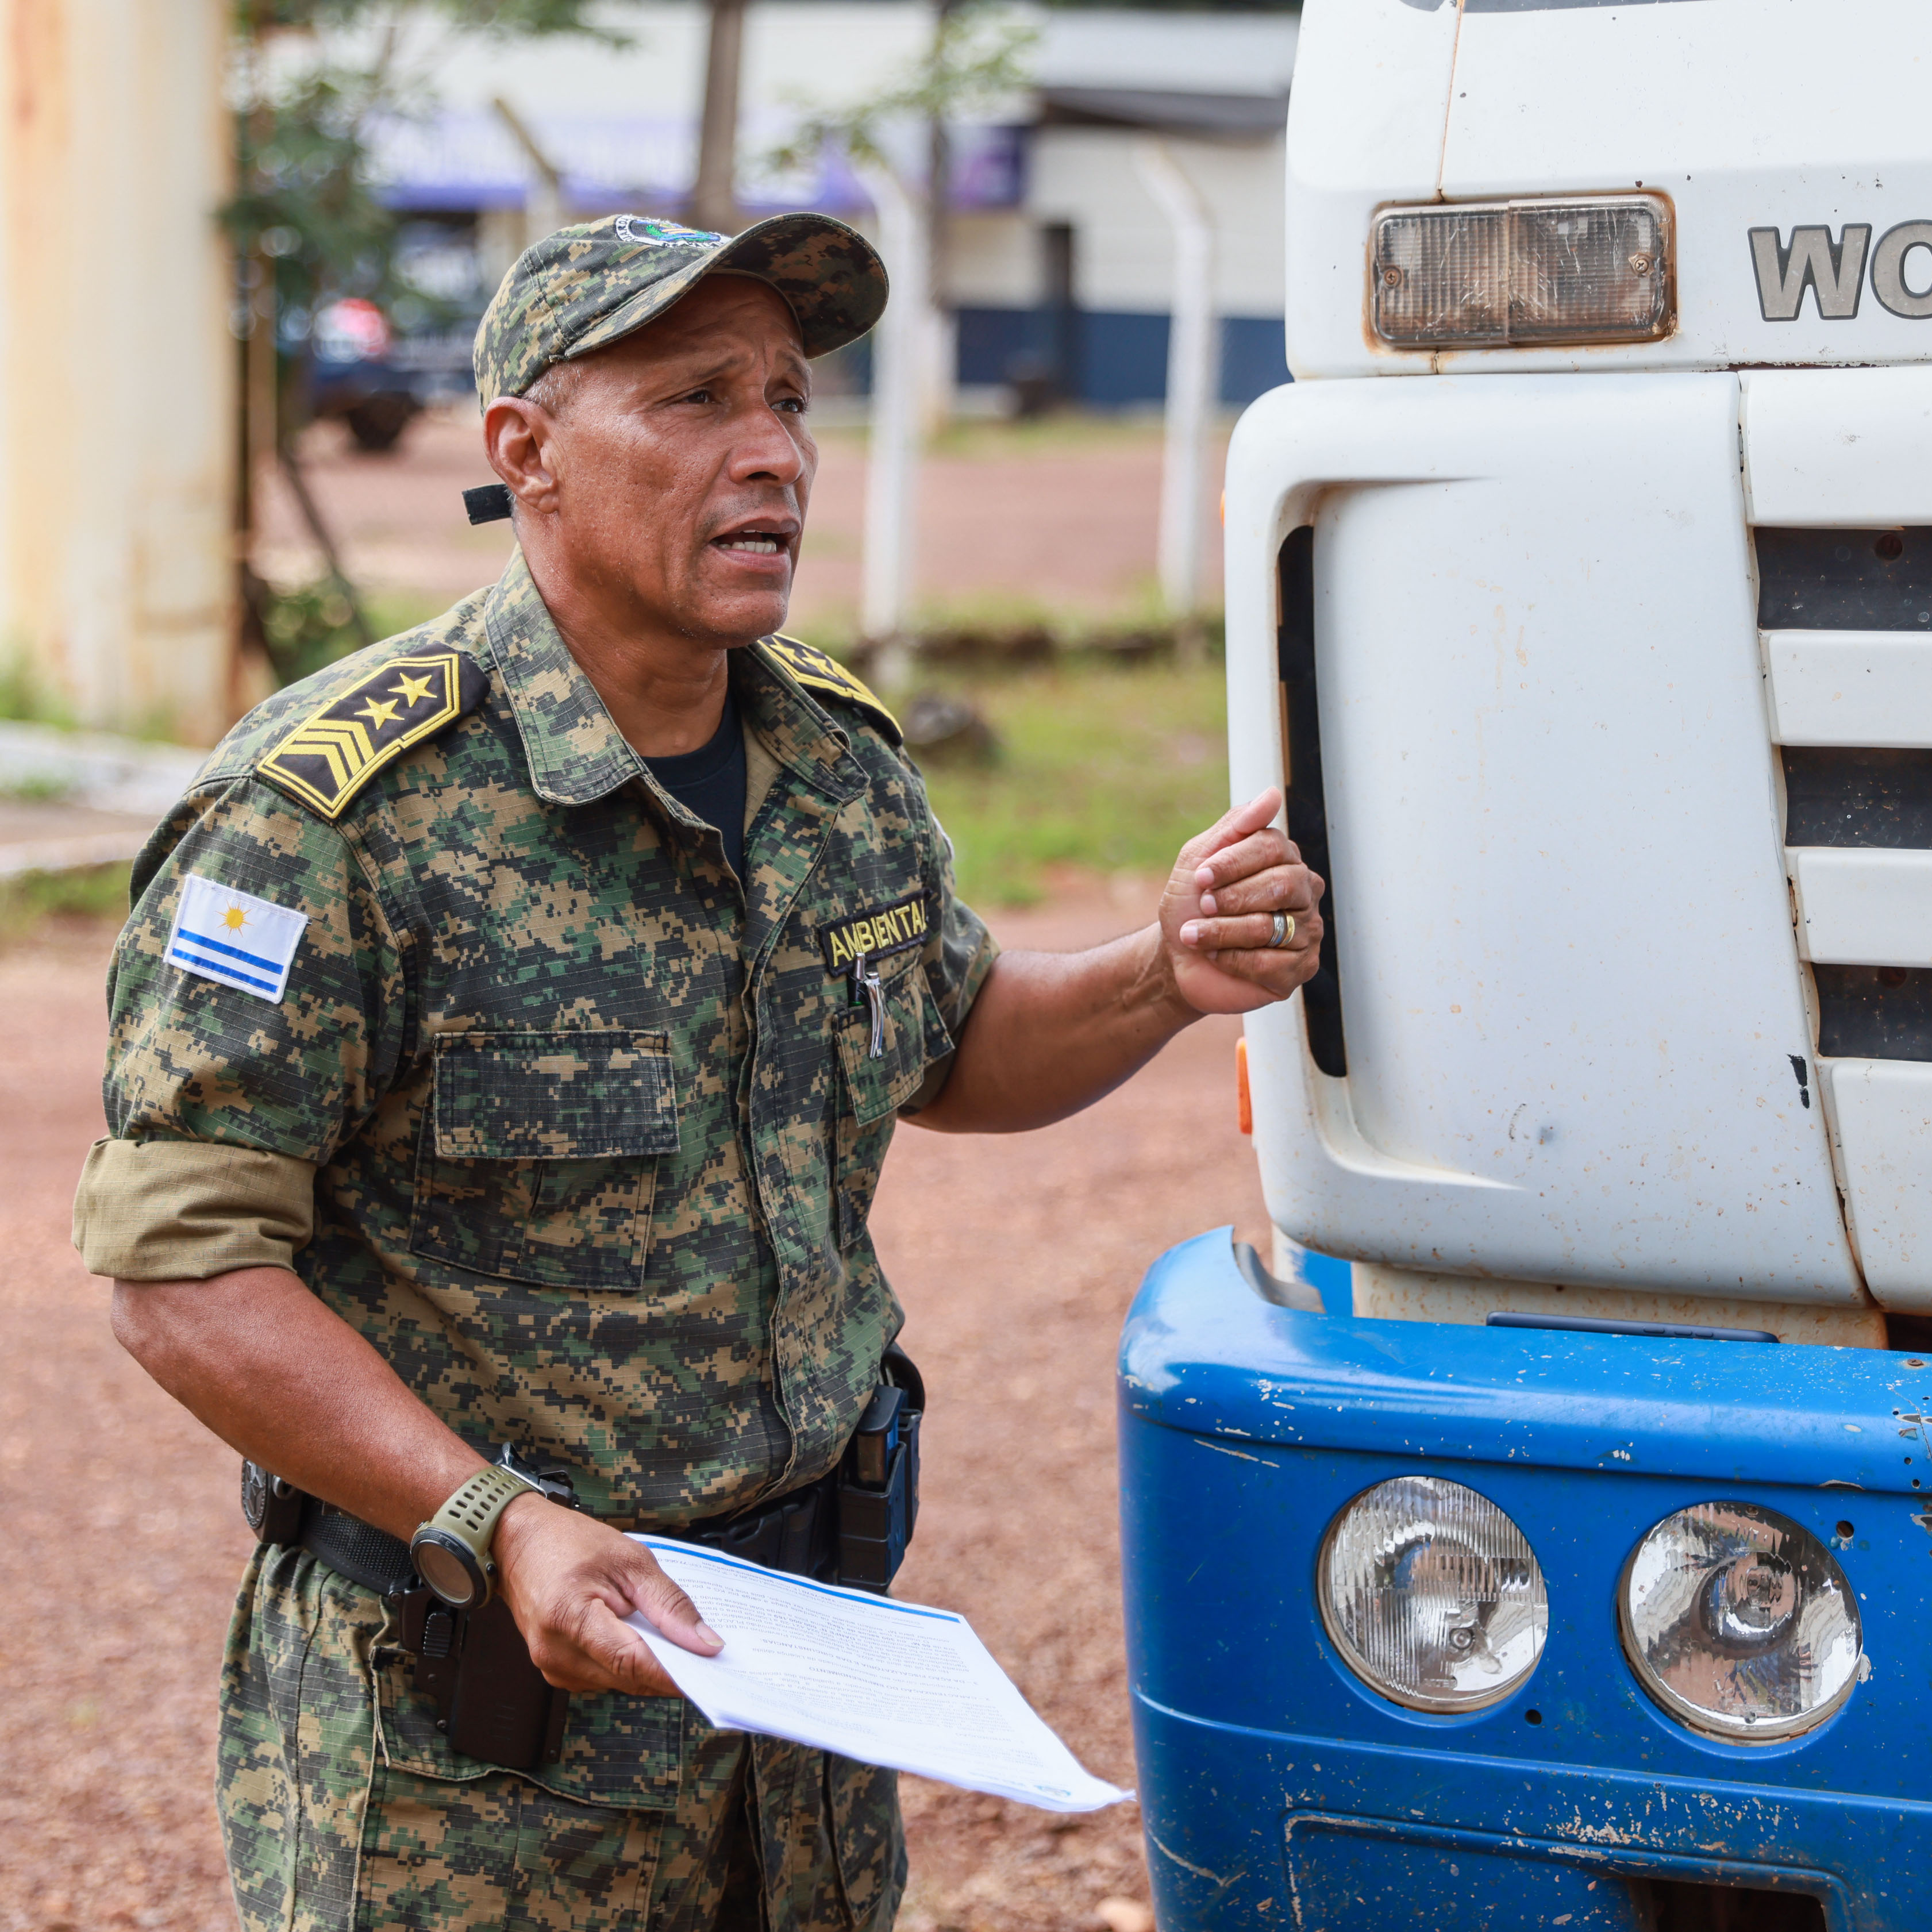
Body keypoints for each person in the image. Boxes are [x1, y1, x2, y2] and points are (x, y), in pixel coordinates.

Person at [72, 210, 1324, 1932]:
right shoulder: (329, 819)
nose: (772, 454)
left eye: (789, 401)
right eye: (694, 400)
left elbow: (950, 1039)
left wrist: (1160, 972)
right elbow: (182, 1269)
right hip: (473, 1755)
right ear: (527, 451)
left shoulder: (834, 763)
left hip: (796, 1716)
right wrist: (493, 1516)